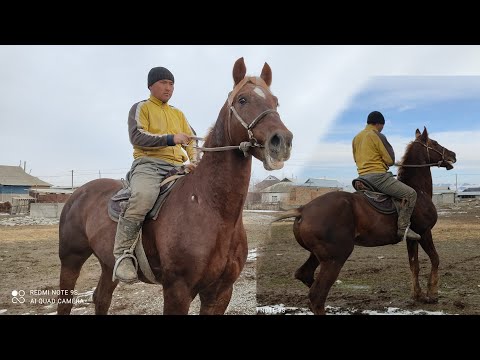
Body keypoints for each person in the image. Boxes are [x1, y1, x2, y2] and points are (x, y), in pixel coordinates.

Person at [113, 66, 197, 283]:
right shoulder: (141, 107)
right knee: (143, 197)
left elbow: (191, 140)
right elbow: (137, 136)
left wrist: (195, 160)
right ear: (151, 85)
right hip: (148, 165)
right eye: (163, 83)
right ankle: (122, 255)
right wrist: (171, 139)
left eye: (171, 84)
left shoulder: (179, 114)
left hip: (176, 167)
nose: (168, 88)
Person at [352, 110, 421, 241]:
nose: (382, 129)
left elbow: (356, 159)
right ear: (379, 124)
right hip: (378, 177)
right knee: (410, 194)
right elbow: (389, 159)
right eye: (382, 126)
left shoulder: (356, 138)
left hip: (361, 178)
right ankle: (403, 229)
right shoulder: (376, 135)